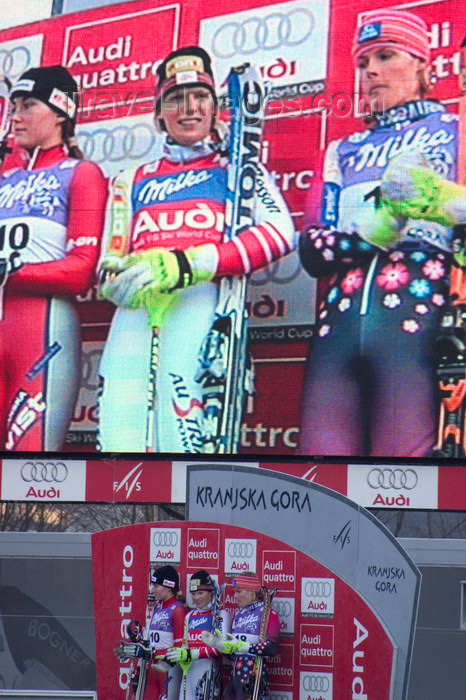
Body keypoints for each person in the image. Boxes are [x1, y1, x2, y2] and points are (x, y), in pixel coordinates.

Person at [97, 45, 295, 452]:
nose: (189, 108)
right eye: (175, 98)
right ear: (158, 113)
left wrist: (192, 263)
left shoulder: (239, 170)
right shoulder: (129, 179)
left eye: (200, 96)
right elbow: (110, 259)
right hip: (136, 311)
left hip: (202, 303)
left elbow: (280, 234)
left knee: (184, 429)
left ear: (215, 107)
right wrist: (114, 282)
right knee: (119, 428)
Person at [298, 9, 465, 457]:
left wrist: (442, 202)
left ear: (422, 66)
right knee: (319, 477)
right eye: (361, 63)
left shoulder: (457, 131)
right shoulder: (342, 150)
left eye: (386, 56)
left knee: (404, 482)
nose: (370, 71)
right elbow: (312, 249)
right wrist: (375, 232)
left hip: (419, 328)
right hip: (338, 329)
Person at [0, 65, 107, 451]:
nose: (16, 116)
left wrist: (9, 273)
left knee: (25, 475)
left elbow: (81, 270)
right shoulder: (4, 178)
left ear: (60, 112)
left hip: (42, 334)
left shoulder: (81, 173)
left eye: (28, 105)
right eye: (14, 106)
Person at [115, 564, 187, 700]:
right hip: (153, 670)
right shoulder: (157, 608)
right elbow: (153, 641)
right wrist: (138, 644)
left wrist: (152, 652)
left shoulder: (178, 610)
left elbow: (179, 649)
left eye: (156, 586)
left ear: (168, 587)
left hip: (168, 669)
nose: (152, 590)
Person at [205, 574, 279, 700]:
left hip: (254, 677)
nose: (235, 596)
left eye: (239, 592)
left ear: (251, 592)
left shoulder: (268, 613)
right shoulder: (239, 615)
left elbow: (272, 648)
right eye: (234, 592)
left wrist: (244, 646)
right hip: (234, 677)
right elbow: (233, 655)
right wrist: (220, 645)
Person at [166, 570, 231, 700]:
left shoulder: (221, 615)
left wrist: (193, 654)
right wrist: (178, 654)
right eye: (193, 594)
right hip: (188, 673)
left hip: (208, 673)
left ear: (211, 593)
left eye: (200, 593)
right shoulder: (189, 616)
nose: (196, 598)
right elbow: (185, 645)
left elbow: (222, 647)